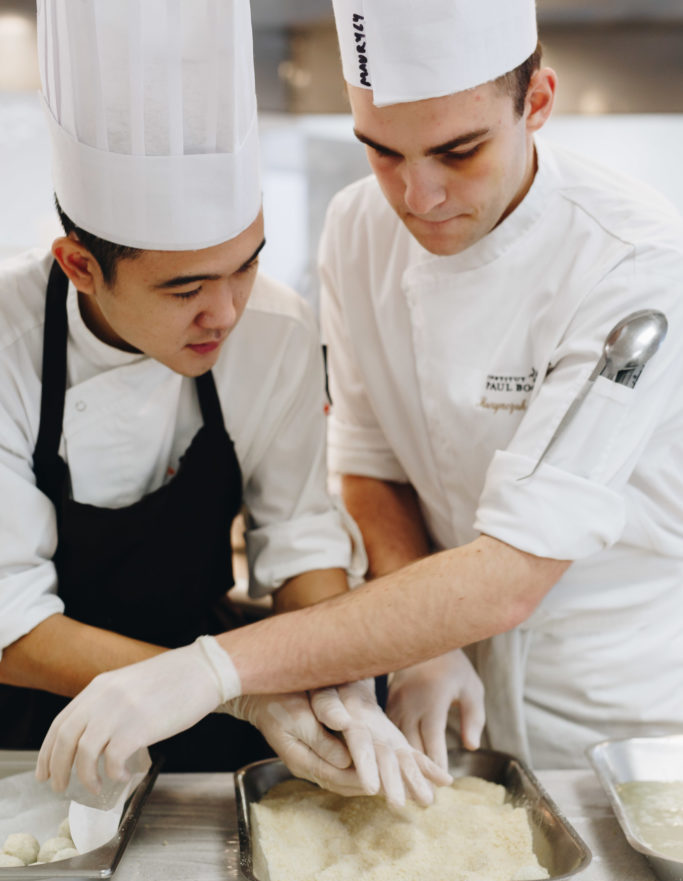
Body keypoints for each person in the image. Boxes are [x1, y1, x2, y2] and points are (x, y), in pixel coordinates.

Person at [37, 0, 683, 792]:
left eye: (458, 152)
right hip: (443, 684)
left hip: (614, 700)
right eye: (381, 153)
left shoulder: (635, 265)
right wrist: (418, 644)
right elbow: (371, 462)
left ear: (537, 103)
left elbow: (512, 571)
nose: (417, 197)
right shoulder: (358, 226)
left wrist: (212, 672)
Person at [3, 0, 452, 804]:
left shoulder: (275, 327)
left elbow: (300, 534)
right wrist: (238, 688)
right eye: (184, 288)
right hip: (25, 722)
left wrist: (332, 682)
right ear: (78, 266)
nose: (227, 311)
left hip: (206, 706)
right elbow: (9, 621)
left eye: (244, 266)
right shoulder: (3, 343)